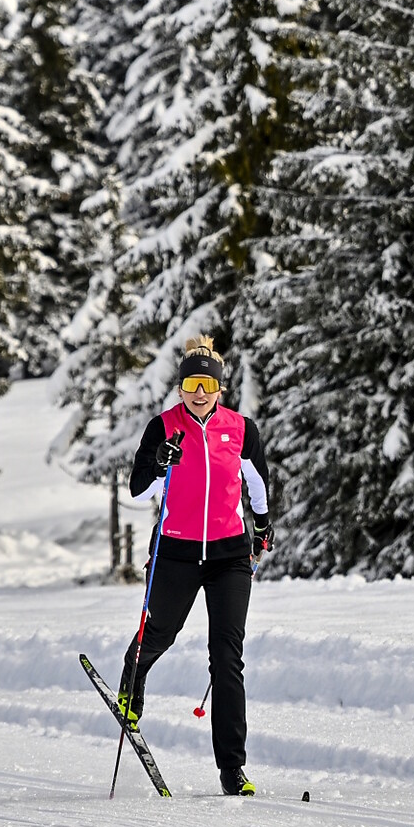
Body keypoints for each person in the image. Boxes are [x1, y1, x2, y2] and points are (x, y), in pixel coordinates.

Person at [119, 336, 274, 796]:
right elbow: (138, 492)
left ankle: (233, 770)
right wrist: (161, 467)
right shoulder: (163, 427)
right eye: (191, 383)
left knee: (227, 658)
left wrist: (263, 526)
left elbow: (257, 482)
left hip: (229, 554)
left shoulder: (241, 428)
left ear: (220, 387)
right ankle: (133, 678)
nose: (199, 392)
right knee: (159, 633)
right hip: (177, 552)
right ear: (181, 387)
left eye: (207, 383)